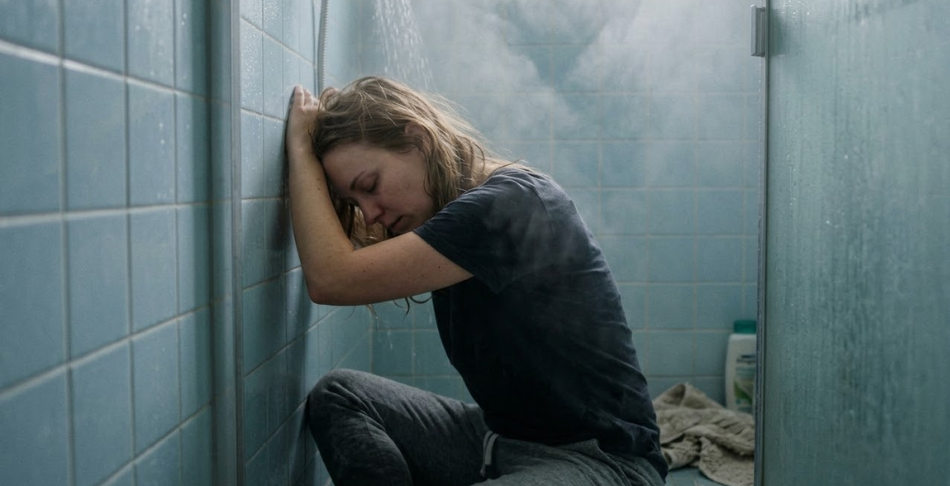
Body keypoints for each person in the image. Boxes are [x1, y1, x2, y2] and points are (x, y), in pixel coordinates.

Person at [286, 76, 668, 486]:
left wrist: (303, 151)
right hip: (498, 441)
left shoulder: (506, 205)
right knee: (342, 395)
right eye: (354, 203)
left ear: (418, 140)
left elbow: (332, 279)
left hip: (605, 462)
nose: (371, 213)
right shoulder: (452, 212)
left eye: (369, 186)